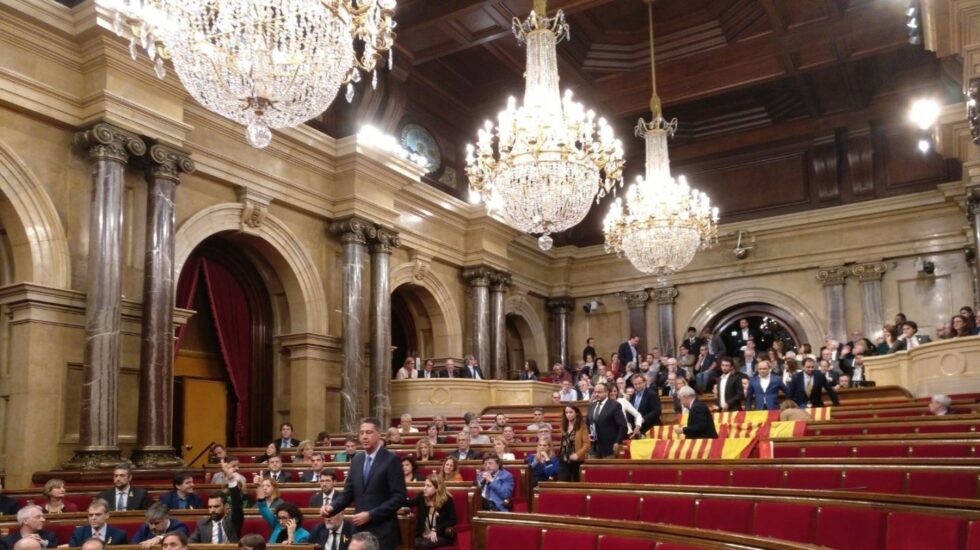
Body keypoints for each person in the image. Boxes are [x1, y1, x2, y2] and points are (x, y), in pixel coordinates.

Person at [322, 417, 408, 550]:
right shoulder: (357, 460)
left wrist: (371, 515)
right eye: (361, 433)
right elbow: (348, 493)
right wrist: (332, 507)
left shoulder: (391, 460)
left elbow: (399, 497)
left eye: (369, 432)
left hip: (383, 531)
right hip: (360, 531)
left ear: (379, 434)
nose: (364, 437)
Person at [188, 462, 245, 543]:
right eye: (210, 507)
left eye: (216, 506)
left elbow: (237, 504)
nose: (212, 510)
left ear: (225, 506)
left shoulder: (233, 520)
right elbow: (190, 543)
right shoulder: (202, 524)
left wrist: (231, 480)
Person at [403, 474, 456, 550]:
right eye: (424, 485)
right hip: (422, 534)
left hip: (440, 535)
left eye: (428, 486)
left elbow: (453, 520)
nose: (424, 488)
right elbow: (407, 504)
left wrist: (436, 529)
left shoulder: (447, 500)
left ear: (437, 488)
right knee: (414, 543)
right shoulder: (421, 497)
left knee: (424, 544)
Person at [587, 382, 627, 458]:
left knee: (608, 469)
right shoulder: (591, 406)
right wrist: (588, 435)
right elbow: (588, 423)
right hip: (593, 447)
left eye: (599, 392)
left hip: (609, 447)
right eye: (595, 392)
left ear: (606, 392)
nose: (596, 394)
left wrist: (617, 442)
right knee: (592, 469)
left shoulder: (614, 405)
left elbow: (623, 425)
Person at [557, 405, 590, 482]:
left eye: (571, 412)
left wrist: (577, 454)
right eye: (566, 412)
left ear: (577, 413)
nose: (568, 414)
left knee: (576, 483)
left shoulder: (582, 427)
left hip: (577, 460)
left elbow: (587, 444)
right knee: (563, 482)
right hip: (564, 458)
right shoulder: (563, 426)